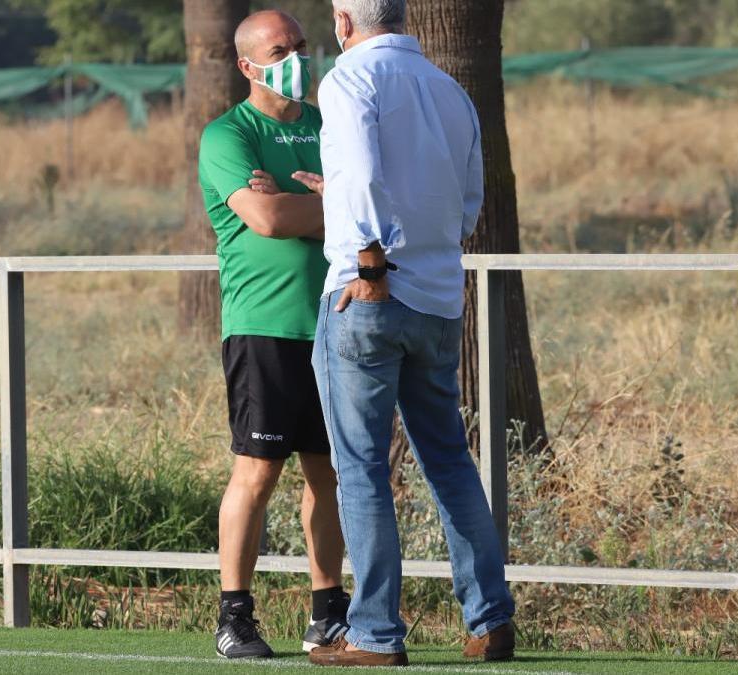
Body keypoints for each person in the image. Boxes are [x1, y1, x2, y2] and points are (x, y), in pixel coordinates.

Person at [300, 0, 517, 667]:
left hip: (369, 290)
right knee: (448, 459)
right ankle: (490, 620)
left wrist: (367, 255)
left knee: (361, 467)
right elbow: (469, 196)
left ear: (344, 23)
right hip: (436, 295)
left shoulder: (346, 79)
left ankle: (374, 632)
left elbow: (364, 172)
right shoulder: (448, 87)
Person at [197, 9, 351, 660]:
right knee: (257, 471)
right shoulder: (228, 134)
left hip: (337, 322)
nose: (296, 58)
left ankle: (328, 610)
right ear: (247, 65)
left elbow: (365, 207)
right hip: (264, 328)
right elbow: (263, 216)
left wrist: (308, 206)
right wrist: (330, 206)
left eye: (301, 45)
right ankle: (235, 614)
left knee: (330, 474)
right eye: (279, 49)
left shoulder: (329, 125)